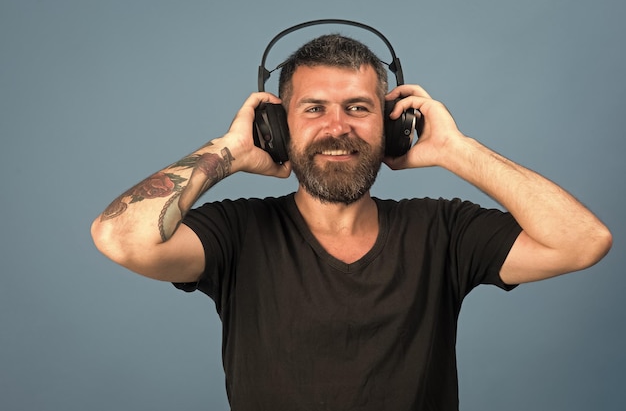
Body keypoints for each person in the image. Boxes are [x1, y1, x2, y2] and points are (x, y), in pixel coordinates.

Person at [91, 33, 612, 410]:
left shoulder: (443, 231)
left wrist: (458, 150)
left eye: (358, 108)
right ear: (276, 127)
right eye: (313, 109)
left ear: (392, 126)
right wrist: (228, 150)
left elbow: (583, 242)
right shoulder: (237, 233)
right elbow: (122, 237)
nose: (337, 128)